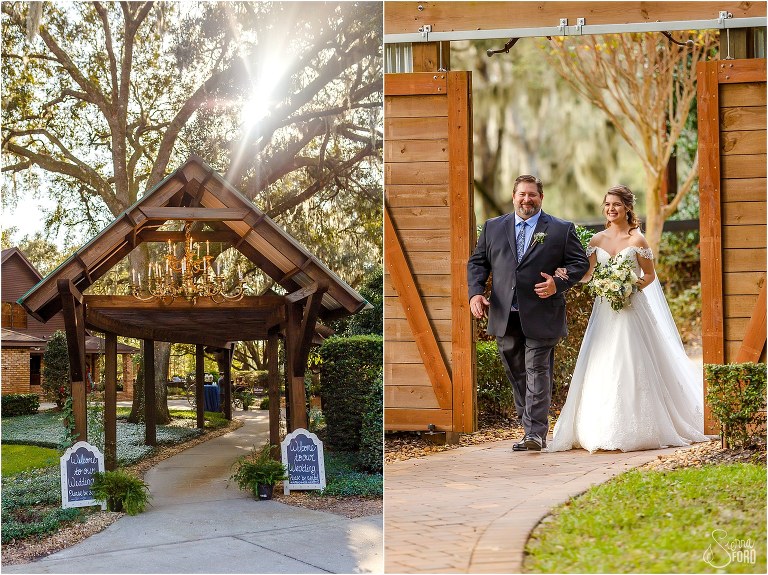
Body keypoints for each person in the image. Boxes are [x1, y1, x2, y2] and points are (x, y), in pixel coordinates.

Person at [548, 185, 708, 452]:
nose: (611, 209)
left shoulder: (638, 241)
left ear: (627, 208)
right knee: (601, 361)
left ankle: (642, 426)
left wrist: (629, 286)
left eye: (617, 205)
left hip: (632, 309)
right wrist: (572, 275)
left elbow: (649, 276)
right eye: (608, 204)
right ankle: (597, 426)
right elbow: (587, 274)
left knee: (632, 360)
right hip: (605, 311)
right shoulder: (596, 241)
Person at [468, 175, 590, 451]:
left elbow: (579, 263)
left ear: (541, 198)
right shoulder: (492, 228)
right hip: (504, 314)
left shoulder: (560, 229)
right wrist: (475, 292)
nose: (527, 199)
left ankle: (535, 433)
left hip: (543, 314)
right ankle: (531, 427)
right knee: (517, 372)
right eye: (522, 194)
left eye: (532, 194)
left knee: (536, 370)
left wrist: (558, 283)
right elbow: (478, 262)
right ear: (513, 197)